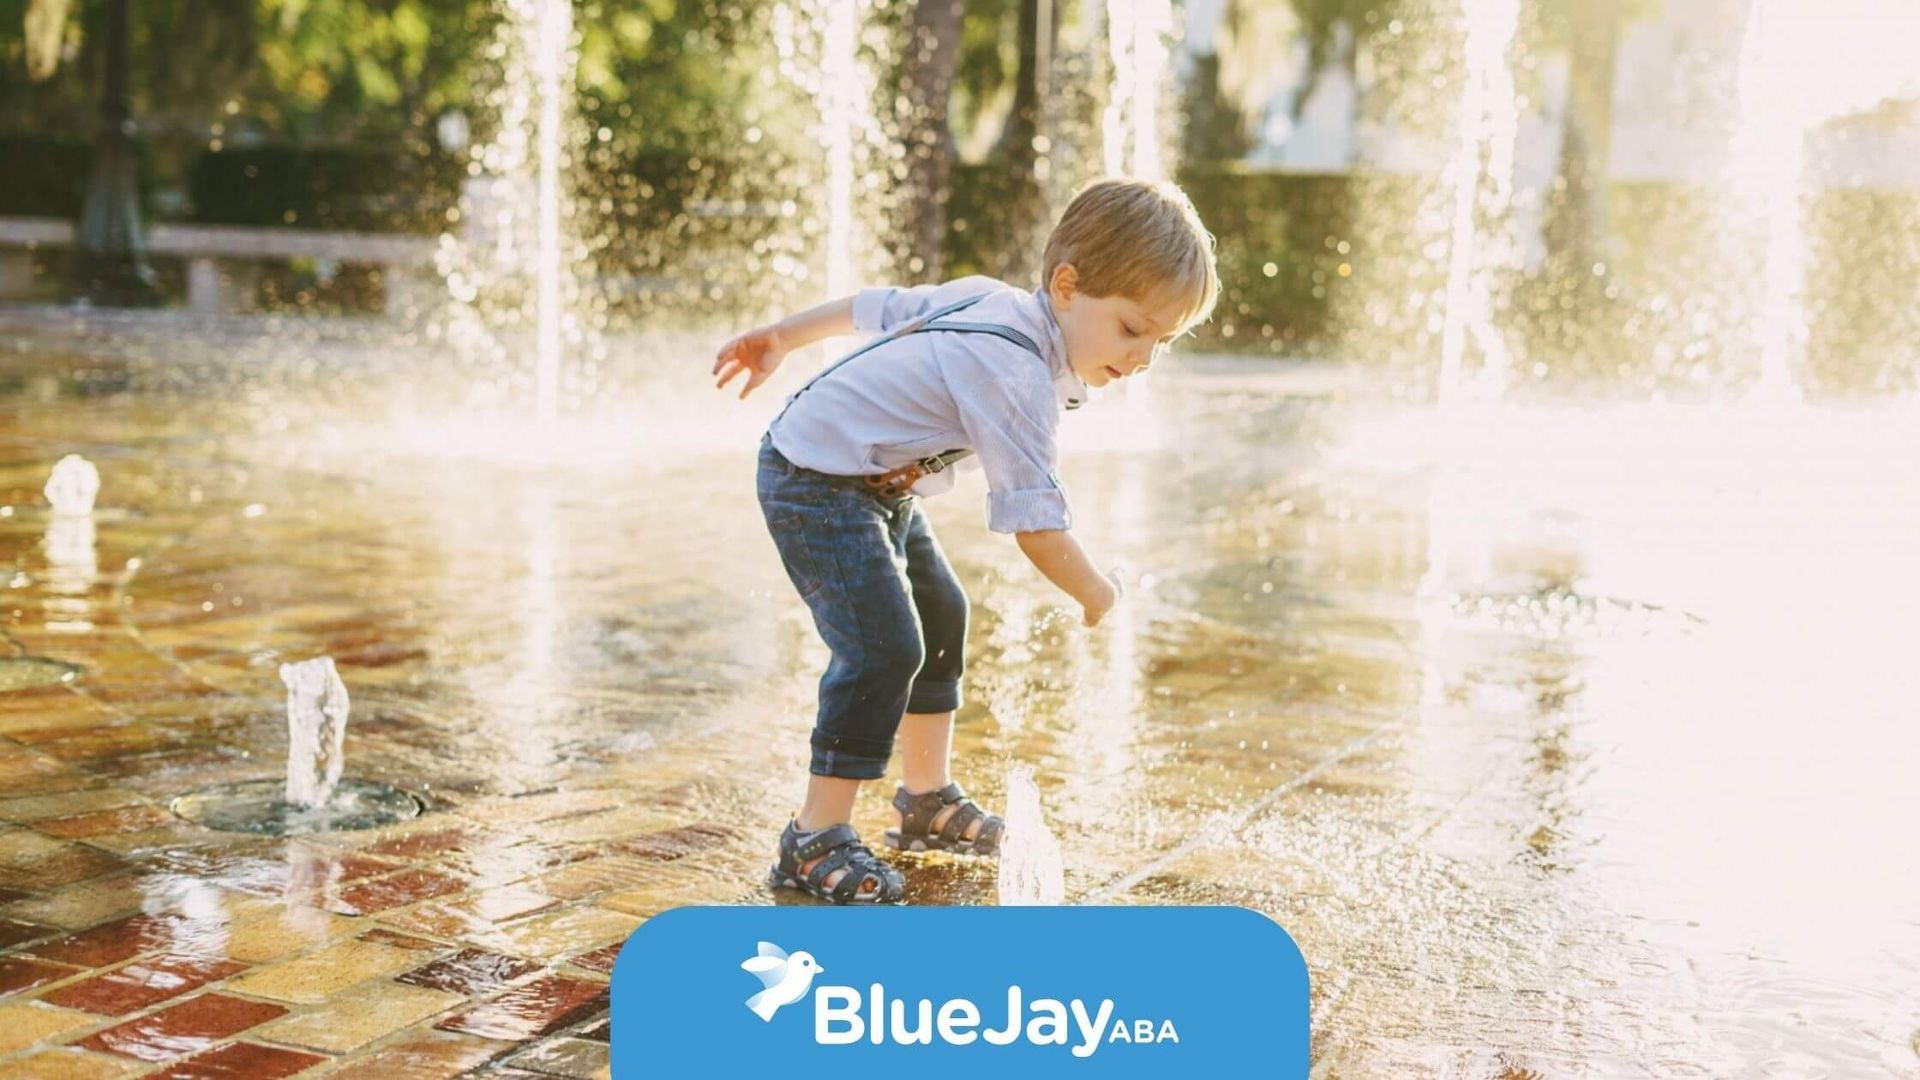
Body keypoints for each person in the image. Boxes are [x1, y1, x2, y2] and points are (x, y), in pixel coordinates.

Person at [711, 177, 1219, 904]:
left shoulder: (994, 300)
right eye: (1133, 329)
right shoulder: (1015, 369)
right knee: (883, 646)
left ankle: (925, 801)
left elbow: (874, 307)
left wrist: (782, 337)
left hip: (874, 481)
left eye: (1163, 342)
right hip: (812, 480)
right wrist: (1095, 589)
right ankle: (813, 836)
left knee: (942, 614)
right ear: (1066, 286)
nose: (1142, 358)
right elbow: (1035, 525)